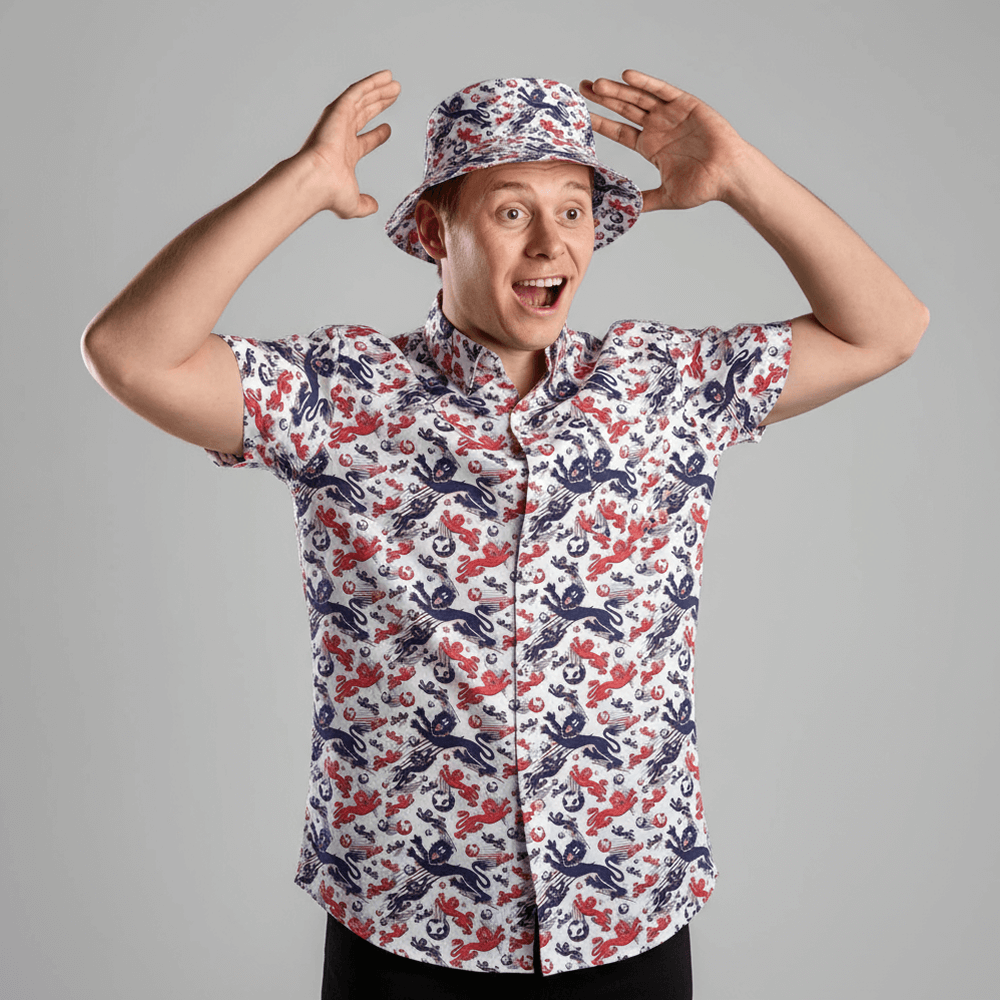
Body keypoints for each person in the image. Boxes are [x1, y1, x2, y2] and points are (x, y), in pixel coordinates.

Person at [81, 69, 928, 999]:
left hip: (626, 911)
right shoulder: (343, 395)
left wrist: (741, 176)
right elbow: (129, 353)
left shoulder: (662, 386)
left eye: (574, 210)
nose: (552, 239)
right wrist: (303, 181)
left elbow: (888, 328)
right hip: (405, 919)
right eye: (511, 211)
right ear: (439, 231)